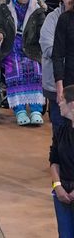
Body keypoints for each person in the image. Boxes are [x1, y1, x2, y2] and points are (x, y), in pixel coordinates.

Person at [0, 0, 47, 126]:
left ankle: (36, 109)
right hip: (10, 46)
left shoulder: (37, 9)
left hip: (31, 47)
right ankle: (20, 110)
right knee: (15, 68)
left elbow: (42, 30)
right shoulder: (3, 7)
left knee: (36, 67)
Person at [42, 0, 74, 133]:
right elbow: (49, 48)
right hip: (55, 83)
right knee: (60, 127)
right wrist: (66, 51)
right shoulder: (53, 19)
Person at [50, 87, 74, 236]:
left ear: (72, 104)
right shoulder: (61, 129)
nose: (59, 102)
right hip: (62, 191)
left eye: (62, 99)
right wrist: (57, 186)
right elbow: (54, 160)